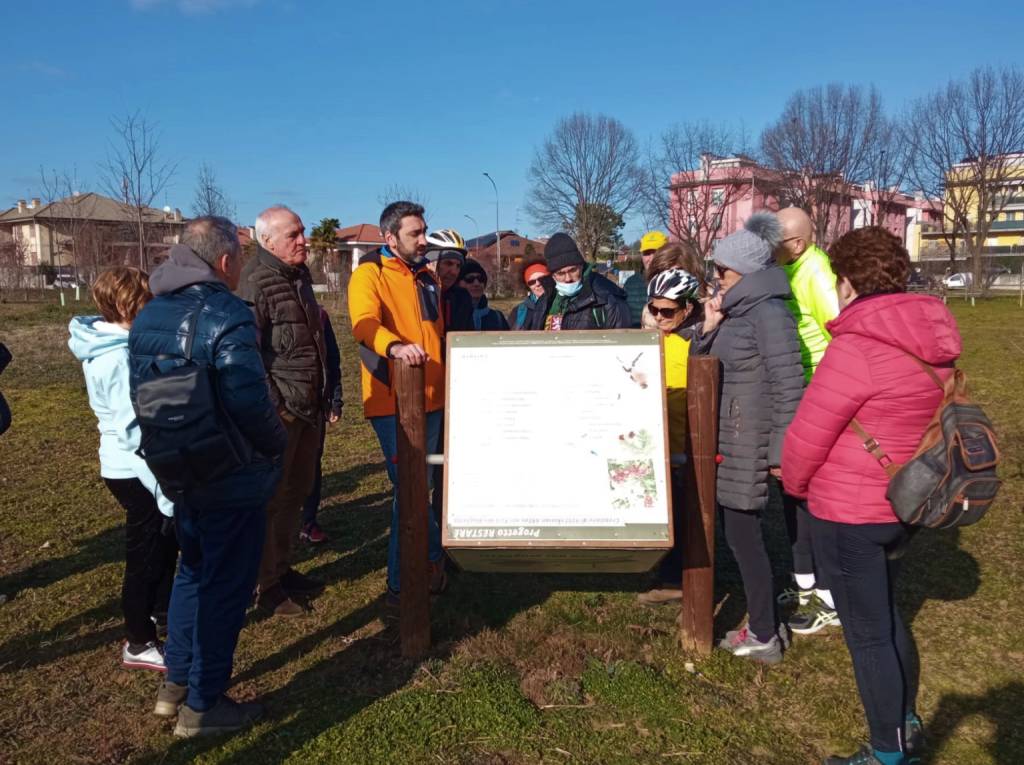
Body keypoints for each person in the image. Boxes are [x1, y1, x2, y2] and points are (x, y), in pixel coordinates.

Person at [782, 227, 957, 765]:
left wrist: (793, 485)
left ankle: (886, 752)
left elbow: (807, 437)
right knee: (888, 615)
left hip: (850, 510)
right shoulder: (932, 336)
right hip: (908, 500)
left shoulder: (854, 348)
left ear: (848, 281)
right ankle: (903, 719)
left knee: (868, 635)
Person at [129, 216, 287, 737]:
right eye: (239, 257)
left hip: (177, 463)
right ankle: (204, 703)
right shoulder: (226, 313)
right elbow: (248, 399)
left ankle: (174, 683)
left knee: (191, 572)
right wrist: (275, 444)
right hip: (230, 470)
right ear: (224, 262)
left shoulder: (151, 313)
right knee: (226, 586)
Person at [693, 212, 804, 664]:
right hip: (728, 442)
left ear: (744, 272)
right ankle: (762, 623)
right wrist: (709, 326)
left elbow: (789, 384)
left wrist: (779, 453)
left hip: (748, 443)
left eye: (721, 271)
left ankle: (763, 633)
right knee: (737, 535)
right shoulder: (738, 312)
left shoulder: (769, 315)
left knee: (745, 538)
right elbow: (704, 368)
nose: (715, 278)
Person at [68, 267, 179, 672]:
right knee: (145, 553)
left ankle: (165, 610)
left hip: (143, 466)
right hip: (133, 470)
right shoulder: (115, 358)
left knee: (166, 543)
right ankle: (138, 639)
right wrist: (163, 487)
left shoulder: (126, 346)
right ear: (132, 305)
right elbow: (132, 431)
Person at [348, 201, 447, 605]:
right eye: (415, 234)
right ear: (390, 238)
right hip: (393, 399)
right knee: (408, 490)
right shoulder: (368, 274)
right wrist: (395, 347)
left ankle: (430, 564)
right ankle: (404, 581)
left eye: (424, 231)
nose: (425, 240)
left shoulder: (427, 275)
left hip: (435, 399)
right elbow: (363, 323)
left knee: (425, 485)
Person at [239, 205, 328, 617]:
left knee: (297, 491)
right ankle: (264, 585)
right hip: (282, 413)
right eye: (293, 234)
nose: (303, 240)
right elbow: (246, 354)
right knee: (273, 500)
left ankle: (281, 568)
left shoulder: (299, 277)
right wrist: (275, 405)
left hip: (308, 407)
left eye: (303, 232)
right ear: (267, 241)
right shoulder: (256, 282)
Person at [773, 207, 842, 635]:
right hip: (797, 395)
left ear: (796, 243)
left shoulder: (817, 273)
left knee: (816, 500)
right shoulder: (792, 268)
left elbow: (841, 333)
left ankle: (831, 597)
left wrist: (825, 399)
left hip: (817, 398)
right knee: (792, 492)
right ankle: (804, 583)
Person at [635, 265, 704, 607]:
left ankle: (678, 580)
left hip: (686, 442)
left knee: (687, 514)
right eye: (654, 309)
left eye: (668, 311)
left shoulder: (699, 341)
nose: (660, 317)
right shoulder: (653, 339)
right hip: (656, 441)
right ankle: (667, 570)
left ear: (688, 308)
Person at [299, 304, 343, 544]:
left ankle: (309, 522)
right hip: (280, 406)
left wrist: (335, 399)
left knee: (312, 464)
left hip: (315, 403)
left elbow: (332, 359)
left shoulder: (320, 315)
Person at [533, 232, 630, 331]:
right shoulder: (544, 301)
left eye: (573, 270)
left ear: (581, 266)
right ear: (553, 275)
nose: (568, 278)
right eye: (561, 273)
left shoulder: (607, 300)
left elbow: (620, 343)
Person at [426, 228, 474, 332]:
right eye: (448, 263)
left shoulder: (462, 298)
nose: (454, 272)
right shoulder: (415, 293)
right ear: (430, 262)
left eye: (458, 266)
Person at [623, 230, 668, 327]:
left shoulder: (677, 283)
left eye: (656, 252)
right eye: (647, 253)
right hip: (638, 339)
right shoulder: (631, 283)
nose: (651, 258)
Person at [458, 259, 509, 331]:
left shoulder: (497, 318)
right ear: (458, 284)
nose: (476, 283)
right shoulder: (450, 316)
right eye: (470, 279)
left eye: (480, 279)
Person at [508, 261, 550, 330]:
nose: (538, 284)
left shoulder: (562, 305)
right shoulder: (519, 311)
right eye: (532, 282)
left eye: (542, 279)